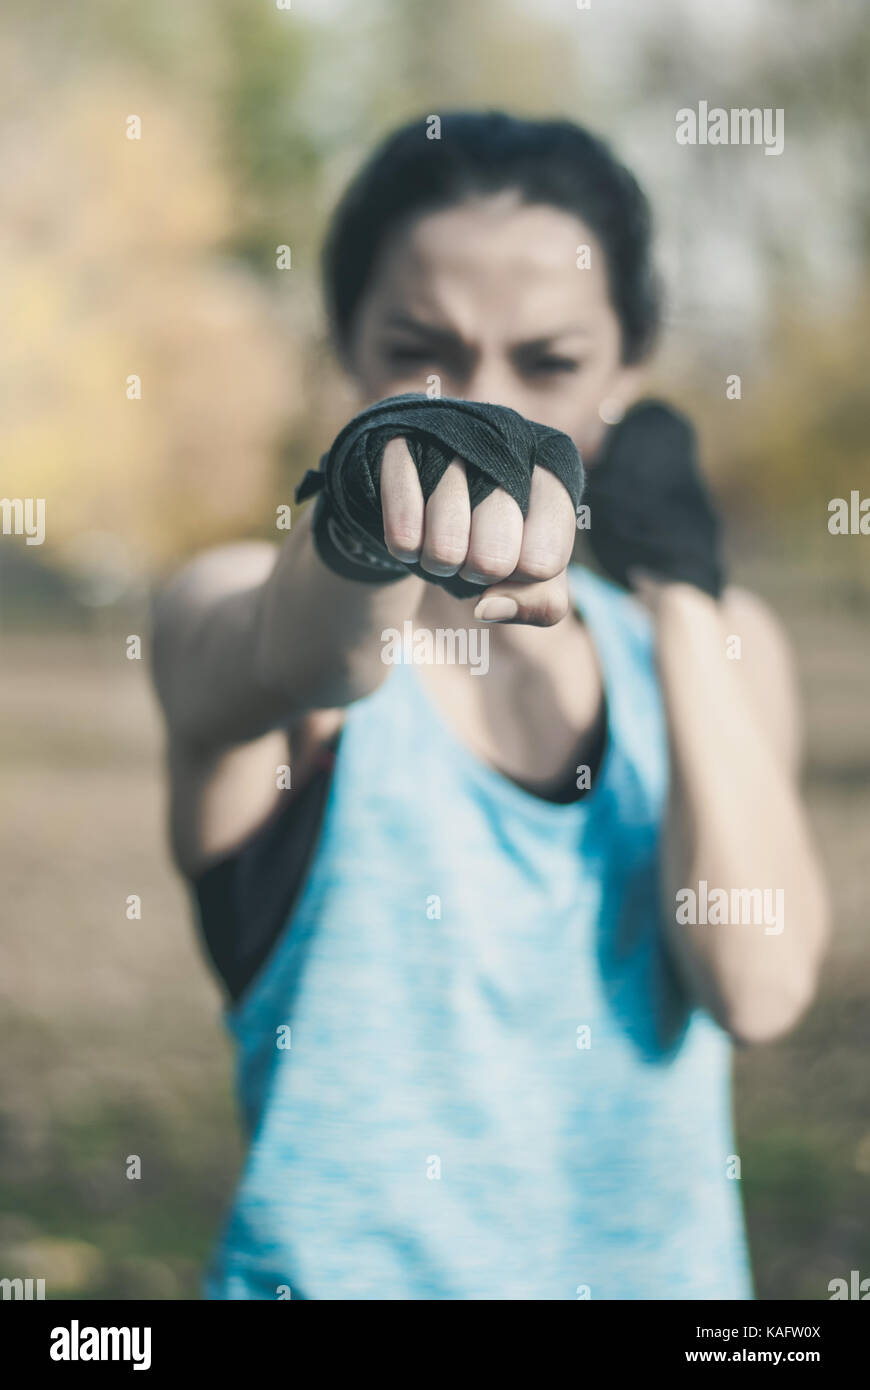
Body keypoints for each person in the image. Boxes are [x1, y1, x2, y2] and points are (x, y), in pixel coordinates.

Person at [151, 112, 830, 1300]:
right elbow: (314, 658)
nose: (486, 405)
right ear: (346, 351)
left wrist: (681, 598)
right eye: (423, 354)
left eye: (550, 364)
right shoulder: (225, 603)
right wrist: (368, 506)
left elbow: (758, 982)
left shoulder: (725, 650)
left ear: (630, 371)